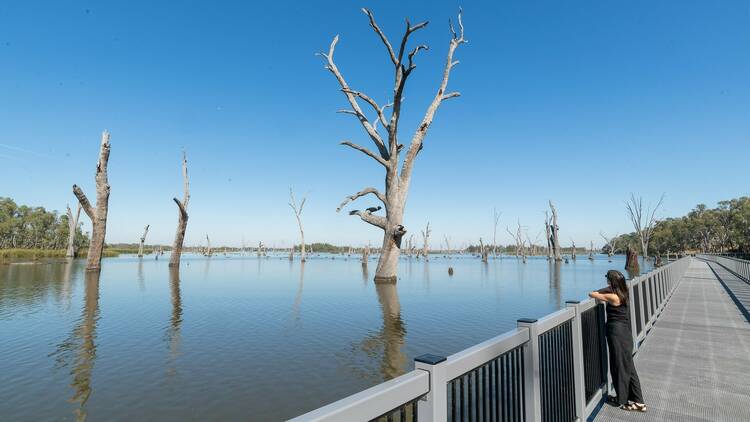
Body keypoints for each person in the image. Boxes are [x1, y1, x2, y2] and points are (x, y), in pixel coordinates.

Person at [589, 270, 647, 412]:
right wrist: (610, 287)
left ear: (612, 282)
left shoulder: (613, 296)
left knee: (619, 366)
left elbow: (593, 293)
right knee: (628, 367)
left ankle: (626, 400)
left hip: (618, 334)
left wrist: (605, 289)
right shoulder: (623, 292)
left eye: (608, 279)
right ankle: (635, 401)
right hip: (623, 333)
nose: (606, 281)